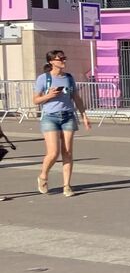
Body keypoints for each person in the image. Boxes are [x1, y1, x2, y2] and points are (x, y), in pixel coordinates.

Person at [34, 50, 92, 197]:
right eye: (60, 59)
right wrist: (49, 95)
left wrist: (84, 115)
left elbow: (76, 98)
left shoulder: (68, 78)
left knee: (67, 152)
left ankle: (66, 185)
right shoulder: (44, 78)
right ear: (52, 62)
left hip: (68, 116)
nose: (64, 61)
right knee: (53, 153)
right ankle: (43, 176)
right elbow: (35, 100)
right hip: (50, 117)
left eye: (65, 58)